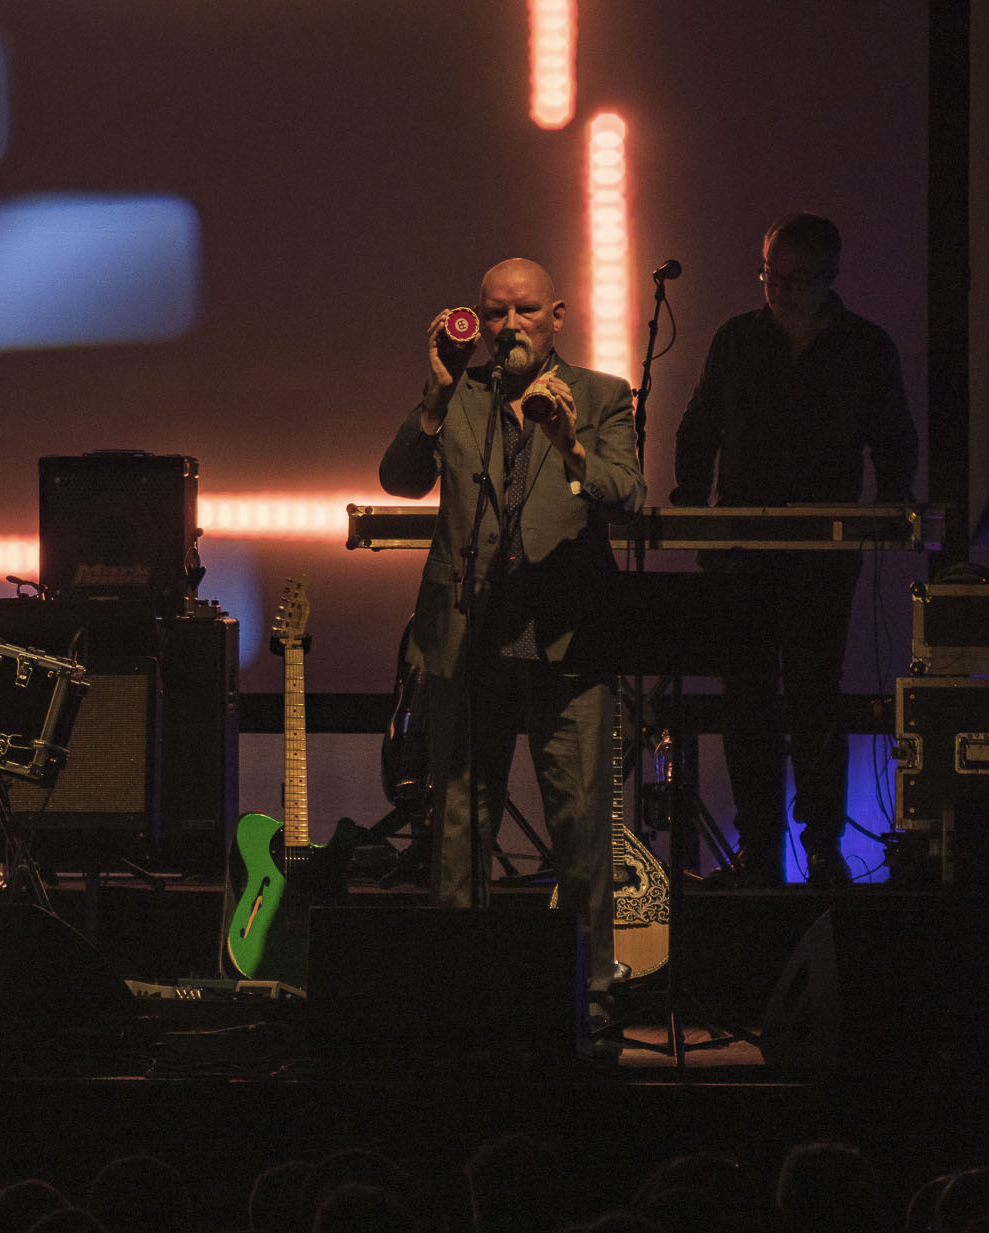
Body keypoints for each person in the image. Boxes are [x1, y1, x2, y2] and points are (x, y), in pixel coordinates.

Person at [379, 258, 646, 1025]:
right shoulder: (459, 395)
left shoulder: (599, 396)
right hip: (468, 640)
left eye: (525, 311)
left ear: (556, 315)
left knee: (581, 824)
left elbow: (628, 498)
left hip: (566, 641)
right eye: (494, 313)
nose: (508, 327)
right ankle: (462, 990)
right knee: (460, 824)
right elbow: (399, 480)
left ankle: (589, 993)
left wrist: (570, 446)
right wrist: (431, 398)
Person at [671, 213, 918, 887]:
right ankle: (758, 850)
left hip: (821, 555)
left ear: (829, 279)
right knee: (745, 699)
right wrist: (693, 512)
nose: (781, 291)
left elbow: (893, 435)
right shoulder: (735, 339)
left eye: (797, 280)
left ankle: (821, 848)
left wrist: (892, 501)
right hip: (743, 551)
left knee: (815, 698)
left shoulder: (865, 348)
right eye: (771, 276)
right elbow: (701, 426)